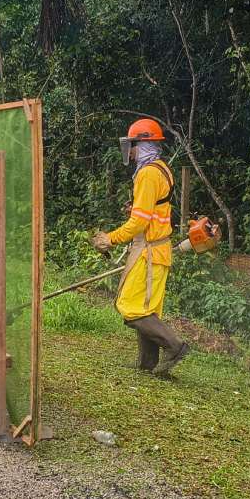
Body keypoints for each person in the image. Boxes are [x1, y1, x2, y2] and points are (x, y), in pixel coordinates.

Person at [93, 118, 190, 376]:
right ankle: (148, 363)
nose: (131, 152)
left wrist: (110, 238)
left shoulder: (147, 174)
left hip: (149, 251)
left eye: (133, 146)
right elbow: (152, 208)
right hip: (157, 249)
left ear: (143, 145)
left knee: (130, 306)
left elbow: (138, 222)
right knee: (146, 307)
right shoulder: (161, 168)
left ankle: (175, 346)